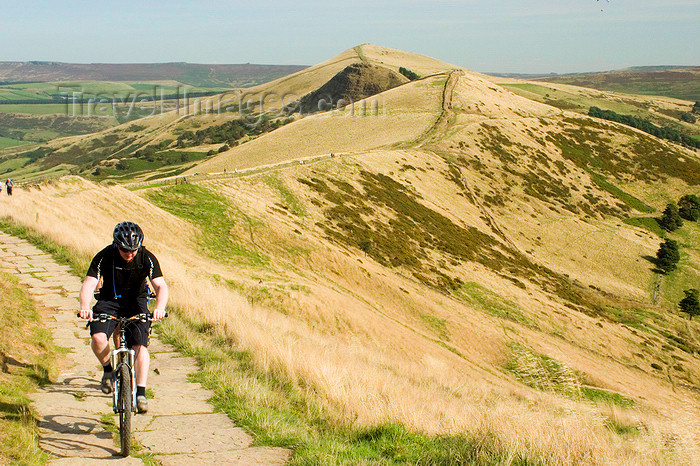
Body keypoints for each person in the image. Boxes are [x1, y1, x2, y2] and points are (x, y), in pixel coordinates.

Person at [79, 221, 168, 413]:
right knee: (97, 337)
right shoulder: (104, 256)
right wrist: (85, 306)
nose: (130, 254)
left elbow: (161, 286)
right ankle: (108, 370)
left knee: (140, 347)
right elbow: (89, 284)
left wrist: (159, 307)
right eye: (125, 250)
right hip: (109, 301)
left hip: (136, 302)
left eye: (133, 251)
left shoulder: (146, 257)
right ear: (116, 245)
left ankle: (141, 393)